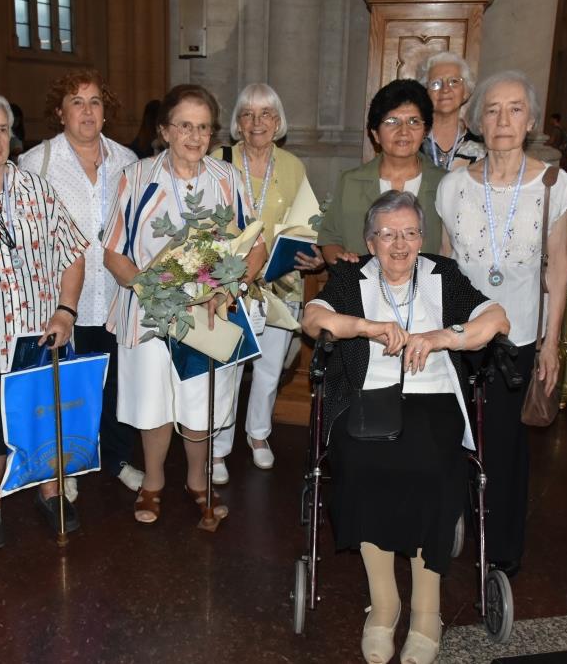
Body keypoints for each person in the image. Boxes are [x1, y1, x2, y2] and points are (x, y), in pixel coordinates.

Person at [303, 191, 510, 664]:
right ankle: (384, 603)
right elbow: (313, 319)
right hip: (366, 396)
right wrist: (364, 326)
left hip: (433, 395)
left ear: (423, 238)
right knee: (357, 462)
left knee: (435, 469)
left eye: (410, 233)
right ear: (369, 241)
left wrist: (442, 337)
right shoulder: (350, 277)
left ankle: (425, 610)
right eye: (388, 234)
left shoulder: (444, 275)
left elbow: (496, 318)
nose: (400, 245)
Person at [102, 83, 267, 524]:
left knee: (201, 402)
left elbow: (257, 245)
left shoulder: (227, 179)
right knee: (153, 402)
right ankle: (153, 484)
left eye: (203, 128)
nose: (195, 137)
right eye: (184, 126)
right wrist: (150, 291)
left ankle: (198, 482)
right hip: (150, 309)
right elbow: (113, 253)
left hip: (209, 308)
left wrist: (232, 284)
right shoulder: (135, 178)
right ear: (164, 130)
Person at [437, 70, 567, 578]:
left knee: (503, 444)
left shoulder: (552, 184)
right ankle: (451, 518)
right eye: (493, 110)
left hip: (518, 339)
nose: (503, 119)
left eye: (515, 108)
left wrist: (551, 343)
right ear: (477, 121)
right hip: (461, 335)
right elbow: (448, 263)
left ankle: (500, 547)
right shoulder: (454, 186)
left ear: (532, 120)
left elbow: (558, 264)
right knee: (453, 434)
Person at [0, 90, 90, 549]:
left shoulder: (36, 187)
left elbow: (73, 253)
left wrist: (66, 310)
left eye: (1, 129)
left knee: (45, 422)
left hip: (40, 333)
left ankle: (50, 493)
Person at [19, 69, 145, 499]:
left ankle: (117, 458)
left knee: (115, 388)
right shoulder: (38, 163)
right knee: (65, 388)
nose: (87, 111)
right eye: (77, 101)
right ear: (60, 112)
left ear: (105, 113)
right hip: (63, 299)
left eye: (95, 102)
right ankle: (63, 466)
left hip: (115, 296)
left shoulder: (128, 161)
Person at [209, 83, 320, 483]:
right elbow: (202, 221)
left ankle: (258, 435)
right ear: (238, 123)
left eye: (266, 114)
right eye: (248, 114)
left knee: (271, 367)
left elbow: (307, 222)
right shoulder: (218, 161)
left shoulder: (293, 166)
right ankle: (218, 446)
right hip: (230, 283)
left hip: (279, 282)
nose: (257, 123)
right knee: (228, 367)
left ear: (278, 122)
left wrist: (309, 249)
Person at [317, 79, 446, 265]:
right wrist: (342, 259)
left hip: (426, 289)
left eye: (413, 121)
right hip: (362, 289)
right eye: (392, 121)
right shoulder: (351, 181)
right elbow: (330, 240)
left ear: (425, 131)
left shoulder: (444, 183)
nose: (404, 131)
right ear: (375, 134)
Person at [416, 51, 485, 170]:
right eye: (436, 83)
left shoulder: (482, 146)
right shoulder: (412, 141)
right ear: (425, 91)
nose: (445, 89)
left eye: (454, 82)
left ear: (466, 91)